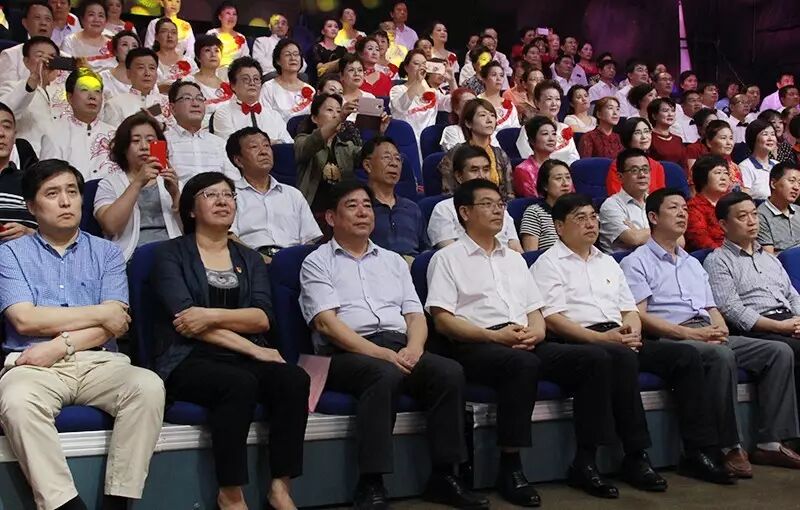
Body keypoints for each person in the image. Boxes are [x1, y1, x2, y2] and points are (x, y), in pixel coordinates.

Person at [299, 180, 488, 510]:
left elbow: (415, 315)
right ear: (331, 218)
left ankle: (445, 476)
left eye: (367, 205)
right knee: (381, 374)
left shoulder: (392, 261)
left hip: (398, 346)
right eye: (352, 206)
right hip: (342, 353)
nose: (363, 212)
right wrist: (382, 354)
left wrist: (414, 349)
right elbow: (327, 324)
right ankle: (371, 482)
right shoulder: (317, 262)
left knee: (448, 372)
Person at [427, 178, 610, 506]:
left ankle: (586, 461)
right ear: (465, 212)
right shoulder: (447, 259)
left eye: (500, 204)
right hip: (474, 344)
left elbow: (534, 310)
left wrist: (537, 331)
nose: (498, 210)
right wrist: (493, 336)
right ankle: (510, 466)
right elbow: (443, 320)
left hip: (523, 338)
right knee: (522, 364)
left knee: (594, 359)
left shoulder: (514, 259)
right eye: (487, 204)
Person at [0, 159, 165, 510]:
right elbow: (25, 320)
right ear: (31, 206)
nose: (65, 201)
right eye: (52, 194)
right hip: (34, 364)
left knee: (148, 387)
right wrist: (101, 313)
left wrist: (60, 344)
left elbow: (116, 324)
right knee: (17, 401)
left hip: (97, 362)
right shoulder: (10, 253)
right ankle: (64, 505)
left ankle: (118, 500)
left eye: (72, 192)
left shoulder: (107, 252)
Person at [152, 171, 309, 510]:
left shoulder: (249, 259)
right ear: (191, 209)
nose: (222, 201)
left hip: (242, 355)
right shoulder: (169, 254)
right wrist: (253, 347)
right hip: (189, 356)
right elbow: (186, 323)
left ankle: (281, 488)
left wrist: (209, 315)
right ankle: (230, 493)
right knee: (237, 383)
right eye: (211, 195)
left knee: (294, 379)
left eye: (228, 195)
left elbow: (262, 317)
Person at [621, 187, 799, 479]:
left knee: (777, 351)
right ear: (653, 217)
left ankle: (771, 441)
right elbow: (639, 315)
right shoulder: (636, 261)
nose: (682, 214)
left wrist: (719, 327)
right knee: (720, 355)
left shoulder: (692, 262)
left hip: (706, 331)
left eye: (685, 208)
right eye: (674, 208)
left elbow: (712, 307)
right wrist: (690, 334)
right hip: (670, 336)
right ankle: (729, 446)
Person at [533, 192, 686, 496]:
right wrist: (605, 339)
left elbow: (629, 309)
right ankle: (621, 456)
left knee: (684, 356)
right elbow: (553, 319)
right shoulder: (547, 264)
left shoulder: (608, 262)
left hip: (616, 337)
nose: (591, 224)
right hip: (572, 341)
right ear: (559, 226)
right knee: (611, 358)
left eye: (593, 217)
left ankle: (700, 448)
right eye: (580, 218)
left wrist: (632, 333)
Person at [705, 191, 800, 453]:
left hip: (788, 321)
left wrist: (798, 320)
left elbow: (792, 295)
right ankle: (781, 440)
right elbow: (731, 309)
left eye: (755, 215)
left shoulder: (770, 259)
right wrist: (780, 326)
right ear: (724, 224)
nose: (752, 221)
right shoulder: (718, 260)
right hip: (757, 328)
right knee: (791, 350)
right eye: (742, 216)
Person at [94, 113, 182, 262]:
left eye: (151, 141)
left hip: (174, 256)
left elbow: (192, 230)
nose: (144, 147)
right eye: (135, 141)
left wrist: (176, 195)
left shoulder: (171, 180)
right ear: (123, 147)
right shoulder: (109, 183)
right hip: (132, 258)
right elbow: (110, 226)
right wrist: (138, 182)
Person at [225, 126, 320, 258]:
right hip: (250, 262)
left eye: (266, 145)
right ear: (238, 160)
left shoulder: (293, 194)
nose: (264, 152)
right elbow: (229, 237)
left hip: (292, 261)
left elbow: (310, 239)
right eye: (254, 147)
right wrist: (261, 260)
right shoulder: (229, 195)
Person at [295, 92, 389, 218]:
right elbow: (312, 143)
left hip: (344, 214)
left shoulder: (347, 146)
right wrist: (340, 117)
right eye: (330, 110)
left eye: (339, 111)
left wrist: (379, 132)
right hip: (311, 213)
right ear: (314, 118)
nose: (336, 115)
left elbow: (370, 157)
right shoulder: (302, 140)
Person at [429, 145, 522, 251]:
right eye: (474, 170)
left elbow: (516, 248)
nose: (482, 176)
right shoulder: (444, 209)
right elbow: (448, 252)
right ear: (459, 176)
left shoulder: (499, 207)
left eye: (486, 170)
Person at [40, 67, 117, 180]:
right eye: (84, 89)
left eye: (97, 91)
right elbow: (48, 179)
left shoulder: (115, 134)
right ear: (70, 97)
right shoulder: (54, 134)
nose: (92, 96)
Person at [0, 36, 70, 155]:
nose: (47, 61)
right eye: (40, 56)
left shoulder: (67, 92)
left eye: (52, 57)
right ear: (26, 61)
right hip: (30, 157)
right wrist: (34, 78)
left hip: (66, 155)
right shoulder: (12, 87)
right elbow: (6, 112)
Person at [363, 135, 427, 258]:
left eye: (398, 159)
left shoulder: (412, 208)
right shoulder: (360, 208)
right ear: (367, 165)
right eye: (387, 157)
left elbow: (425, 250)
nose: (394, 164)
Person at [165, 80, 239, 185]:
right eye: (187, 98)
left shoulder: (219, 143)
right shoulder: (163, 141)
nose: (195, 104)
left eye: (199, 98)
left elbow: (234, 180)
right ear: (172, 108)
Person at [438, 98, 513, 197]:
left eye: (492, 115)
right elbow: (449, 192)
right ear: (468, 123)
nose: (489, 120)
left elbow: (509, 193)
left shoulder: (500, 154)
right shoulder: (456, 153)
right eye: (482, 115)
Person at [211, 57, 292, 142]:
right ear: (233, 85)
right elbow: (228, 145)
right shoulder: (223, 113)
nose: (252, 83)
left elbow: (288, 144)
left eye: (256, 79)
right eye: (246, 79)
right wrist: (271, 143)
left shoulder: (274, 116)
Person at [599, 148, 654, 253]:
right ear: (620, 177)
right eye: (634, 170)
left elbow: (680, 241)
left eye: (645, 169)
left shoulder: (657, 202)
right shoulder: (611, 205)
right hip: (625, 262)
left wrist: (640, 233)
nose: (642, 175)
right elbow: (633, 239)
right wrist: (664, 231)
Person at [102, 48, 172, 128]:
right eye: (140, 68)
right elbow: (111, 134)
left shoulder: (169, 103)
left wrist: (161, 127)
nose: (147, 73)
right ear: (128, 73)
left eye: (152, 68)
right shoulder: (115, 105)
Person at [516, 80, 580, 165]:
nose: (554, 103)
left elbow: (574, 157)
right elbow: (527, 157)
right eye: (549, 99)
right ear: (537, 102)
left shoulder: (565, 128)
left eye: (557, 99)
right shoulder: (528, 129)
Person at [390, 49, 448, 141]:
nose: (421, 67)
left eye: (424, 64)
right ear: (406, 67)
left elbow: (452, 105)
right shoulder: (397, 90)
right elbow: (401, 106)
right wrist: (417, 81)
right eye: (416, 64)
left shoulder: (432, 92)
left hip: (427, 142)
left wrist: (452, 80)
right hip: (406, 141)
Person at [0, 103, 38, 241]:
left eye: (7, 126)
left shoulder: (33, 182)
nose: (1, 133)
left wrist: (29, 233)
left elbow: (56, 234)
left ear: (14, 136)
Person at [519, 159, 572, 251]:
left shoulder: (579, 210)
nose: (566, 183)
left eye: (568, 177)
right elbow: (531, 254)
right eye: (558, 178)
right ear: (545, 185)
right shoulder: (535, 213)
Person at [606, 117, 667, 195]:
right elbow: (615, 195)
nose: (644, 137)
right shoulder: (618, 165)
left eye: (646, 131)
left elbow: (661, 197)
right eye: (637, 133)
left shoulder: (657, 166)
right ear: (628, 136)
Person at [686, 155, 735, 251]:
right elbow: (701, 241)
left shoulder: (733, 203)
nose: (723, 178)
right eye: (718, 173)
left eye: (726, 173)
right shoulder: (693, 208)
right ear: (703, 177)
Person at [0, 0, 54, 87]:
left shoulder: (64, 57)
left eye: (47, 19)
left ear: (53, 25)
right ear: (25, 23)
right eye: (37, 18)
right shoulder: (10, 56)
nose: (43, 23)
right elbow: (6, 94)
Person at [260, 39, 315, 122]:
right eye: (287, 54)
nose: (293, 58)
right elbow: (264, 119)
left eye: (296, 54)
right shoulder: (268, 88)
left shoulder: (310, 90)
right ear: (278, 61)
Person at [685, 120, 745, 191]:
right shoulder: (701, 166)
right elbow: (694, 194)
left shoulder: (735, 168)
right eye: (723, 138)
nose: (729, 143)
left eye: (731, 138)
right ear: (709, 142)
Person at [189, 34, 234, 129]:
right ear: (198, 57)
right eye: (207, 50)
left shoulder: (227, 81)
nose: (213, 54)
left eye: (217, 50)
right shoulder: (189, 82)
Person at [60, 0, 115, 72]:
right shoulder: (70, 41)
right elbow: (65, 73)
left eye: (101, 16)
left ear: (106, 21)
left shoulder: (113, 42)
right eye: (91, 15)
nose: (96, 20)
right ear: (82, 19)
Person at [757, 162, 800, 253]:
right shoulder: (760, 216)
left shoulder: (798, 210)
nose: (796, 187)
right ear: (773, 183)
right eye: (791, 181)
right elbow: (769, 257)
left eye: (799, 183)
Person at [513, 116, 558, 197]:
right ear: (532, 140)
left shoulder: (558, 167)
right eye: (545, 134)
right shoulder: (523, 170)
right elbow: (532, 200)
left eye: (554, 134)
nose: (551, 139)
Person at [739, 119, 779, 199]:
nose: (770, 138)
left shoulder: (777, 165)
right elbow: (745, 199)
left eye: (773, 134)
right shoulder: (745, 167)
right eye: (765, 134)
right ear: (753, 138)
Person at [153, 17, 197, 90]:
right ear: (156, 36)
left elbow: (198, 83)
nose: (170, 35)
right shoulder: (150, 61)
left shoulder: (189, 61)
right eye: (164, 31)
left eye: (174, 32)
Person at [98, 30, 143, 100]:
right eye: (124, 45)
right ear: (115, 51)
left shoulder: (147, 77)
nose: (130, 49)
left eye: (134, 46)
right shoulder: (103, 78)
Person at [205, 1, 249, 69]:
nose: (231, 17)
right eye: (228, 13)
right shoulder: (211, 34)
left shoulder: (241, 37)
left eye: (234, 14)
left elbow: (246, 60)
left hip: (235, 72)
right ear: (220, 17)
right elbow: (205, 57)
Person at [478, 60, 520, 132]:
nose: (498, 78)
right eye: (494, 75)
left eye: (501, 75)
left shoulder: (510, 105)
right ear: (484, 79)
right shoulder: (477, 102)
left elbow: (516, 129)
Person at [647, 97, 687, 168]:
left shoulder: (678, 139)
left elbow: (684, 166)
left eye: (673, 110)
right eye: (665, 111)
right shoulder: (649, 138)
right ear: (654, 116)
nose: (670, 114)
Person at [312, 16, 346, 81]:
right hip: (322, 81)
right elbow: (320, 70)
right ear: (323, 31)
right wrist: (340, 61)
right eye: (330, 26)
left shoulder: (342, 49)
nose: (333, 29)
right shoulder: (317, 48)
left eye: (336, 27)